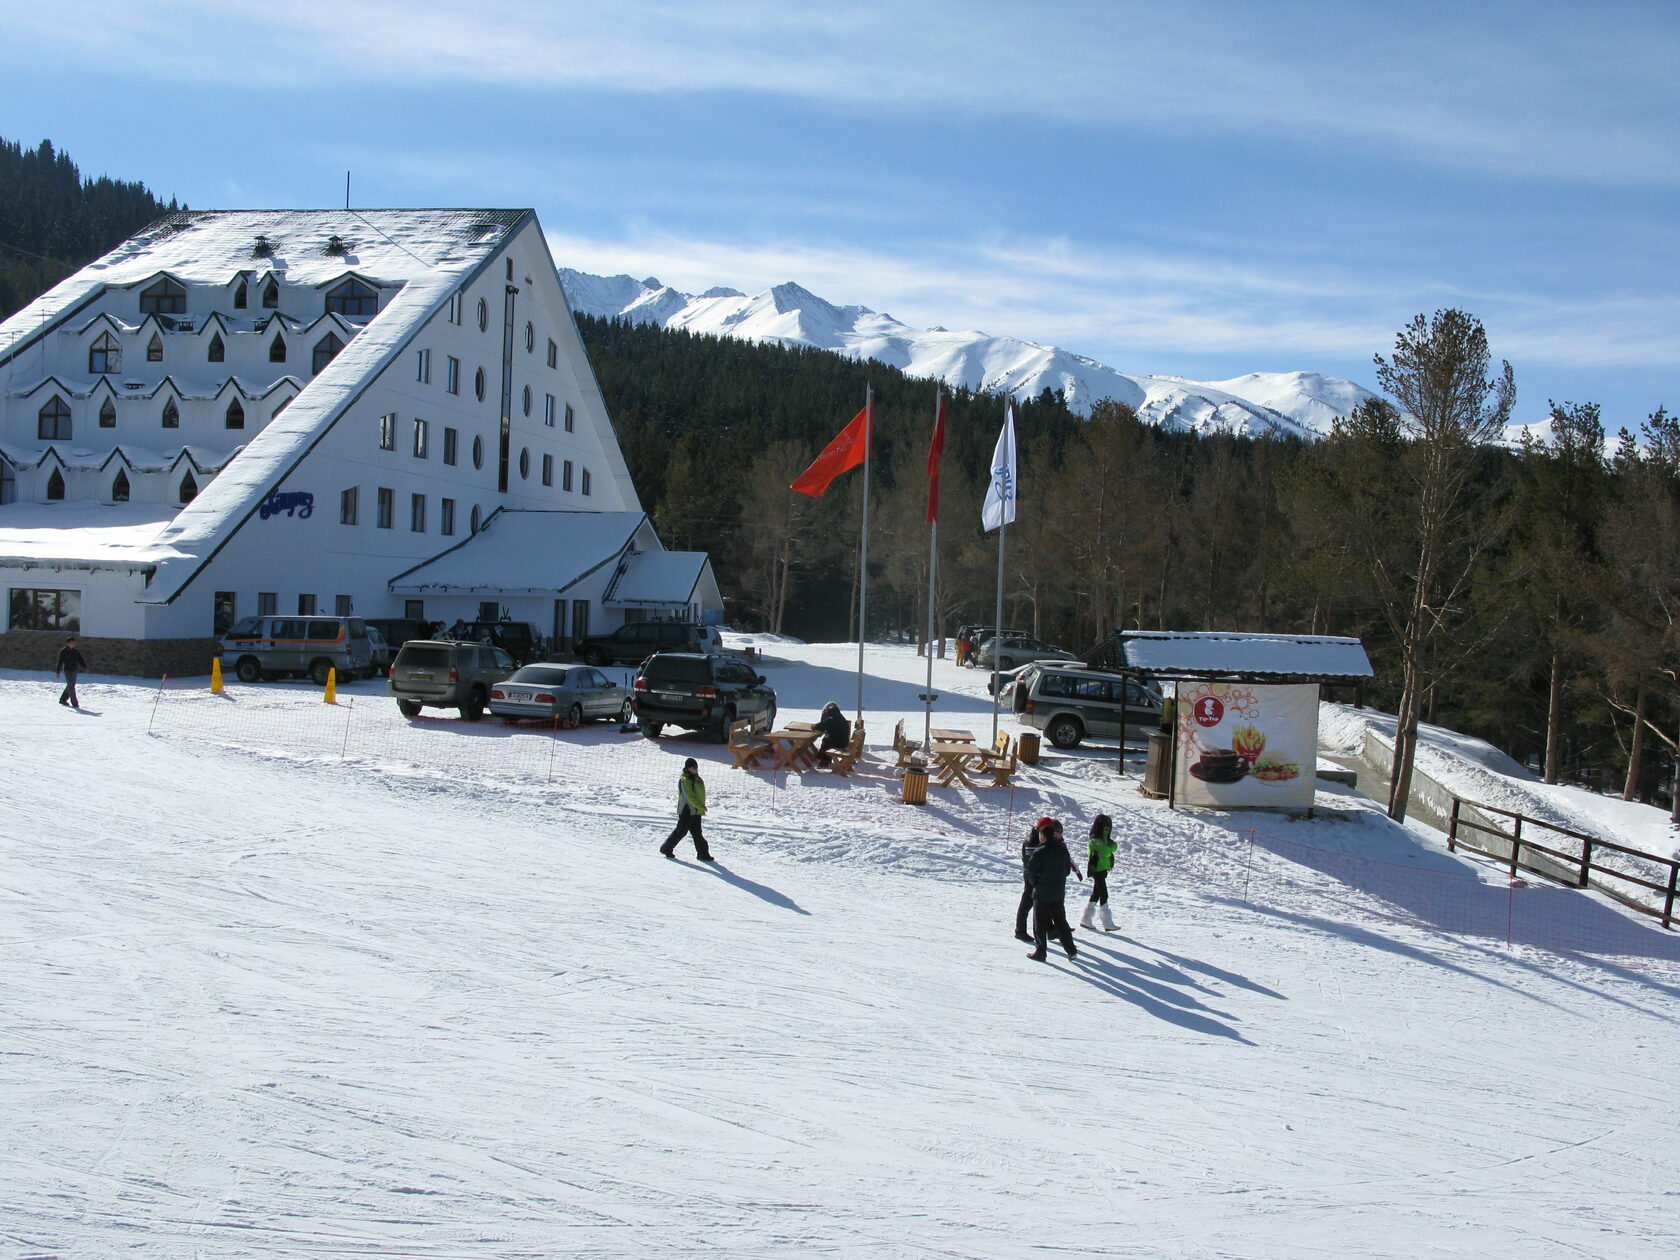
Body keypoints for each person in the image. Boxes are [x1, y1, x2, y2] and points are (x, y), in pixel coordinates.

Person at [1025, 818, 1082, 961]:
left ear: (1043, 836)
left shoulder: (1040, 852)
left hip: (1042, 893)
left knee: (1039, 923)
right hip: (1058, 893)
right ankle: (1071, 950)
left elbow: (1030, 872)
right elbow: (1068, 871)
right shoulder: (1063, 851)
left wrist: (1036, 883)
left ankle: (1041, 951)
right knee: (1061, 922)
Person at [660, 757, 714, 861]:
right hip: (687, 810)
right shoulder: (684, 780)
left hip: (696, 811)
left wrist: (700, 808)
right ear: (688, 768)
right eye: (693, 768)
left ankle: (702, 854)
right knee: (681, 831)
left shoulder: (697, 778)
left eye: (697, 768)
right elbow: (689, 796)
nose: (696, 770)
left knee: (697, 832)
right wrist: (700, 806)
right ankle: (666, 848)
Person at [1014, 817, 1049, 942]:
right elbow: (1033, 862)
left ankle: (1049, 929)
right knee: (1027, 902)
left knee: (1041, 903)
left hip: (1035, 875)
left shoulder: (1036, 837)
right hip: (1031, 876)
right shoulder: (1032, 840)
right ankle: (1020, 930)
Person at [1080, 814, 1117, 931]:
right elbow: (1107, 851)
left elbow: (1114, 846)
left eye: (1108, 829)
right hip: (1097, 870)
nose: (1106, 831)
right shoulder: (1094, 841)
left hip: (1104, 869)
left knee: (1096, 894)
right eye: (1104, 828)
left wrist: (1110, 846)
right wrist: (1109, 847)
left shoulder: (1105, 840)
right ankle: (1107, 922)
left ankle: (1086, 918)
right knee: (1104, 894)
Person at [54, 635, 87, 708]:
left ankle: (63, 699)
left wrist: (85, 667)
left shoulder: (76, 651)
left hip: (74, 670)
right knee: (71, 686)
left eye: (74, 643)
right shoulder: (63, 651)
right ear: (68, 643)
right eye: (72, 643)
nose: (73, 644)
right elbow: (59, 662)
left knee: (70, 685)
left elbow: (80, 660)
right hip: (67, 670)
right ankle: (75, 703)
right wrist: (57, 672)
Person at [813, 701, 851, 766]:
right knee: (827, 739)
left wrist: (812, 726)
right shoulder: (841, 718)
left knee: (826, 741)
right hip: (844, 742)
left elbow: (818, 726)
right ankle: (823, 758)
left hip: (837, 744)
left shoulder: (830, 719)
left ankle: (824, 760)